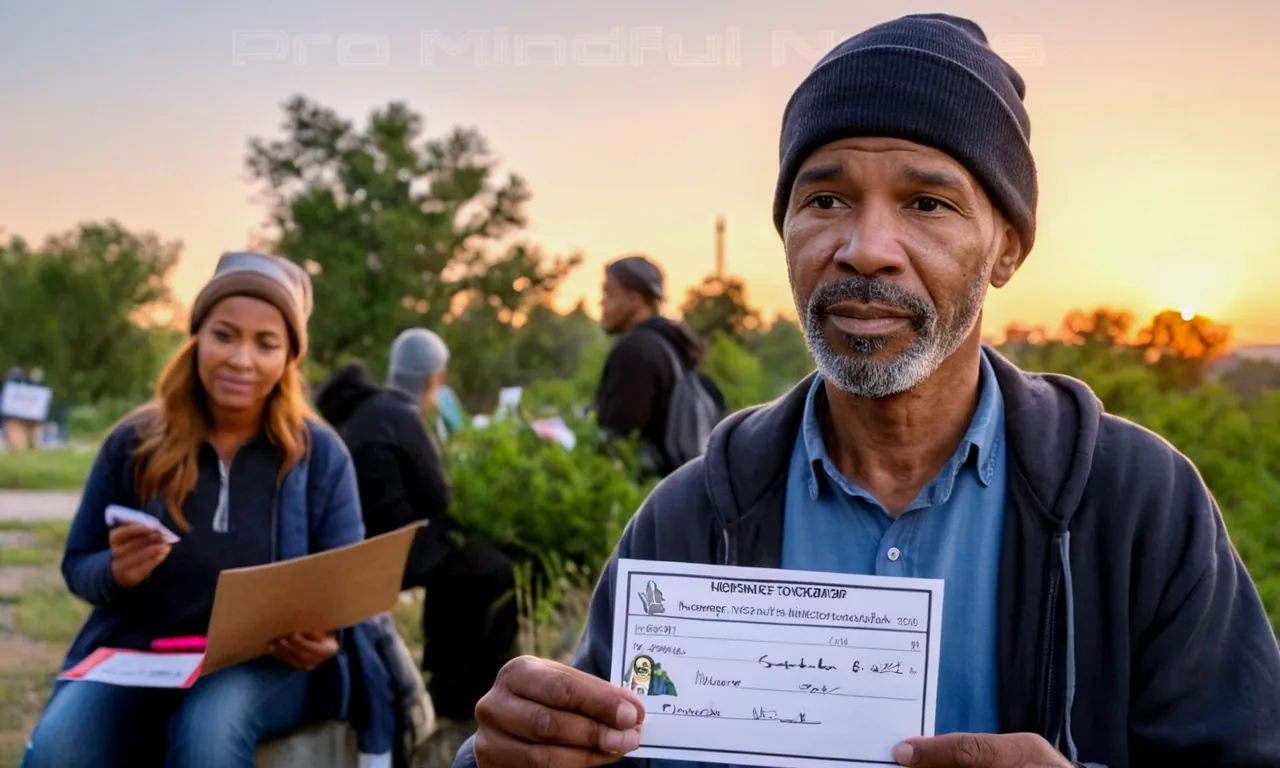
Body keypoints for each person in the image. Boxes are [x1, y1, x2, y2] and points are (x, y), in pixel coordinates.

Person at [452, 14, 1280, 768]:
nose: (865, 247)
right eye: (825, 199)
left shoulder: (1139, 505)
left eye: (926, 202)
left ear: (1007, 249)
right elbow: (587, 742)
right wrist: (507, 754)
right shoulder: (692, 517)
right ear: (786, 232)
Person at [21, 251, 393, 767]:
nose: (241, 359)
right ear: (197, 337)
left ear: (289, 358)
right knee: (58, 746)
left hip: (266, 667)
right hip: (141, 655)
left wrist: (326, 639)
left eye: (266, 344)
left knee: (210, 727)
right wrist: (115, 573)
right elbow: (77, 564)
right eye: (225, 335)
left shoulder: (320, 455)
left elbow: (347, 591)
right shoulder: (134, 443)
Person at [315, 328, 518, 724]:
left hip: (360, 546)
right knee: (494, 569)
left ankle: (444, 679)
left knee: (458, 566)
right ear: (433, 379)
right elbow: (439, 496)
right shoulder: (401, 414)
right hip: (394, 554)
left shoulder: (361, 409)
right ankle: (472, 693)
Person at [595, 255, 726, 477]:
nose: (602, 302)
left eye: (609, 293)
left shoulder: (635, 351)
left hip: (645, 497)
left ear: (634, 298)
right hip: (679, 489)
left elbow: (617, 441)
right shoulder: (673, 347)